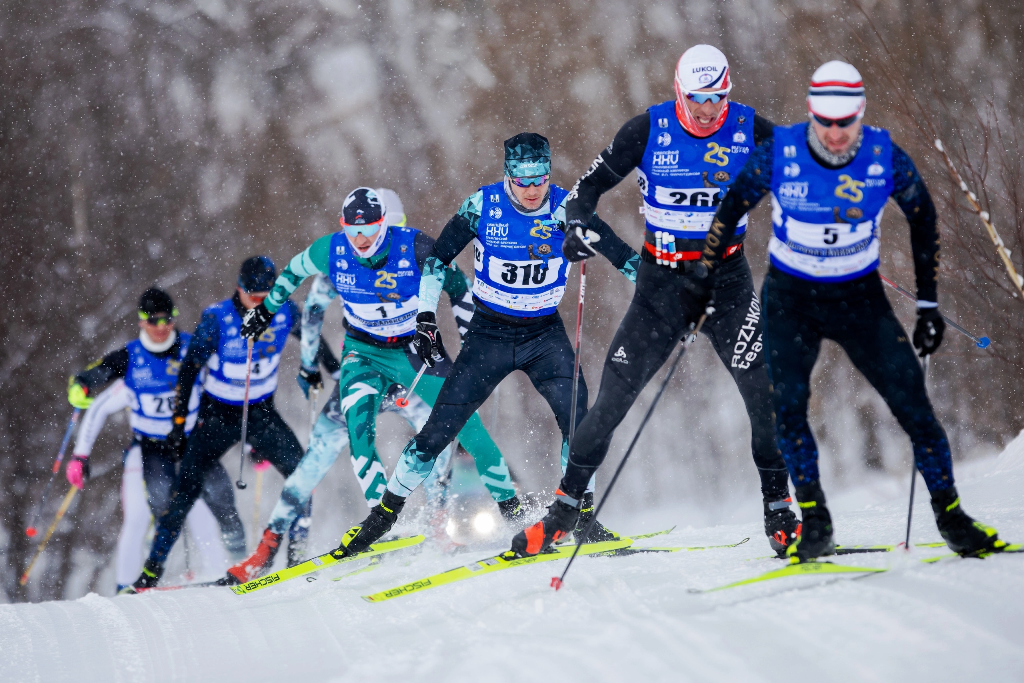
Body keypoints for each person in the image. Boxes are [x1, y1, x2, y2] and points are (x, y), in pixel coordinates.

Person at [696, 60, 1004, 560]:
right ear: (812, 115)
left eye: (846, 122)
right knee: (789, 409)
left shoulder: (885, 157)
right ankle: (815, 520)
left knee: (914, 407)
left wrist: (928, 305)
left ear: (860, 115)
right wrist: (704, 283)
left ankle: (951, 516)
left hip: (858, 297)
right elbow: (728, 210)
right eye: (825, 122)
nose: (835, 134)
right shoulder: (781, 152)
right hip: (791, 297)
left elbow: (923, 218)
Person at [511, 45, 797, 557]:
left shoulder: (753, 130)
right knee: (609, 405)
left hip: (726, 283)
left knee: (765, 392)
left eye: (719, 98)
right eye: (698, 99)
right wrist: (574, 225)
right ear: (679, 92)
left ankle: (779, 508)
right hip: (661, 285)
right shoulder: (647, 131)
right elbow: (584, 191)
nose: (709, 110)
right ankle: (563, 515)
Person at [321, 132, 639, 561]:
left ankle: (580, 516)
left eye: (539, 179)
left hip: (544, 334)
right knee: (437, 432)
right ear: (507, 175)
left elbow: (625, 257)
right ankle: (380, 520)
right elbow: (437, 260)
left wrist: (667, 303)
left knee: (579, 421)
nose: (531, 190)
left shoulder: (570, 207)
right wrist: (426, 319)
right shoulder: (482, 206)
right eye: (522, 180)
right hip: (489, 334)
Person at [228, 186, 518, 581]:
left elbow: (460, 287)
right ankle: (375, 525)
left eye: (373, 230)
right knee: (353, 432)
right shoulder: (333, 252)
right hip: (363, 355)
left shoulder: (414, 247)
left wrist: (474, 340)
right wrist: (269, 315)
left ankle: (507, 516)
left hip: (413, 357)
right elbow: (299, 284)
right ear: (343, 228)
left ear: (387, 225)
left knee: (464, 427)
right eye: (353, 231)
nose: (362, 241)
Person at [126, 258, 337, 591]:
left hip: (261, 412)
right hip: (218, 414)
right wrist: (180, 425)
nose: (259, 300)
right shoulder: (218, 318)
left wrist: (333, 370)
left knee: (303, 475)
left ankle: (296, 558)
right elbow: (189, 368)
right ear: (239, 287)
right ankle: (150, 572)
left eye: (266, 293)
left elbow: (312, 336)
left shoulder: (285, 311)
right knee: (184, 492)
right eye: (251, 293)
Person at [67, 288, 244, 591]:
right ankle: (135, 579)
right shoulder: (131, 357)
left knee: (220, 498)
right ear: (142, 322)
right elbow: (98, 394)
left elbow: (231, 388)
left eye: (167, 320)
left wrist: (250, 442)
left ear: (174, 319)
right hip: (153, 446)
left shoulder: (193, 347)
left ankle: (239, 566)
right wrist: (80, 451)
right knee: (161, 504)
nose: (161, 328)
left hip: (192, 440)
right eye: (153, 321)